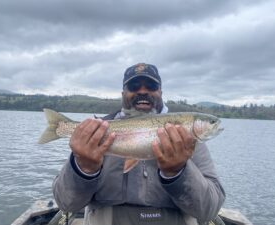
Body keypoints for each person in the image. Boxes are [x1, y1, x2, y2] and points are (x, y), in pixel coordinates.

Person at [52, 63, 226, 225]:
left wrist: (178, 172)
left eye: (151, 86)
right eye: (134, 86)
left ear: (161, 93)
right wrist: (83, 169)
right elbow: (67, 204)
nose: (143, 91)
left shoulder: (187, 140)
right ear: (123, 94)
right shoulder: (96, 132)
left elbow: (209, 210)